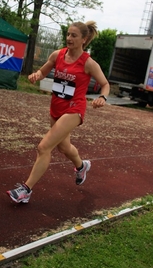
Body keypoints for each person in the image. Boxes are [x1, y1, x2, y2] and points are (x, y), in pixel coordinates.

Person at [7, 21, 110, 204]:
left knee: (44, 147)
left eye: (74, 36)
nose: (69, 38)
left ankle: (26, 190)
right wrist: (36, 75)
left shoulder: (88, 63)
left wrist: (103, 97)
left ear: (84, 39)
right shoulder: (58, 55)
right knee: (64, 148)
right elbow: (43, 71)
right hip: (56, 108)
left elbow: (105, 84)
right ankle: (81, 166)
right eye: (68, 34)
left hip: (74, 109)